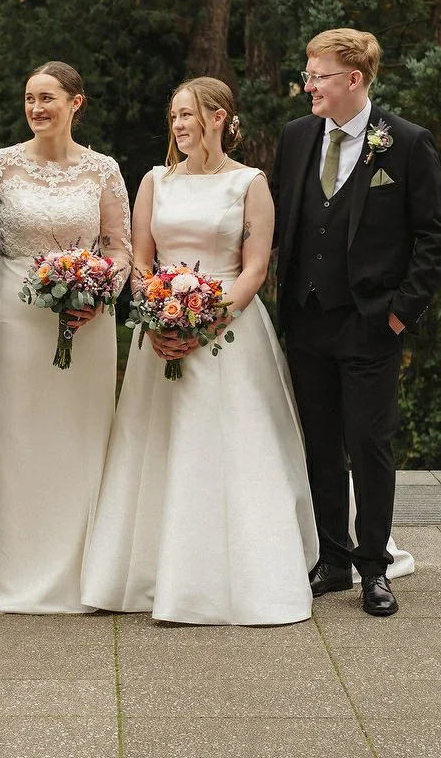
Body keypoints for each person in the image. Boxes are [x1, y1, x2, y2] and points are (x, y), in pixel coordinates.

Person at [81, 77, 319, 625]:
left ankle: (232, 574)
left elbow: (256, 268)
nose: (179, 125)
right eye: (174, 117)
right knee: (157, 445)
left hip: (229, 330)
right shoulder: (154, 182)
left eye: (188, 114)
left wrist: (206, 321)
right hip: (159, 330)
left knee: (229, 447)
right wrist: (158, 315)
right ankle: (148, 571)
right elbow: (141, 262)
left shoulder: (250, 183)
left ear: (218, 117)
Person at [272, 28, 441, 617]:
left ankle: (375, 566)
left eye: (318, 76)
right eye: (308, 74)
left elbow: (435, 238)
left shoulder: (405, 143)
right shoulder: (297, 139)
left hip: (372, 324)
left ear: (354, 80)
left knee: (369, 444)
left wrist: (400, 315)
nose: (309, 85)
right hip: (307, 322)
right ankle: (332, 559)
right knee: (321, 444)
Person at [0, 62, 131, 613]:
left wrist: (98, 290)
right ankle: (14, 568)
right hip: (14, 322)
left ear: (75, 103)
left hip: (87, 323)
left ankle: (83, 567)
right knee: (18, 436)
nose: (36, 108)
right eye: (29, 99)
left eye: (47, 98)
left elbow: (119, 247)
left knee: (80, 436)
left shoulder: (104, 171)